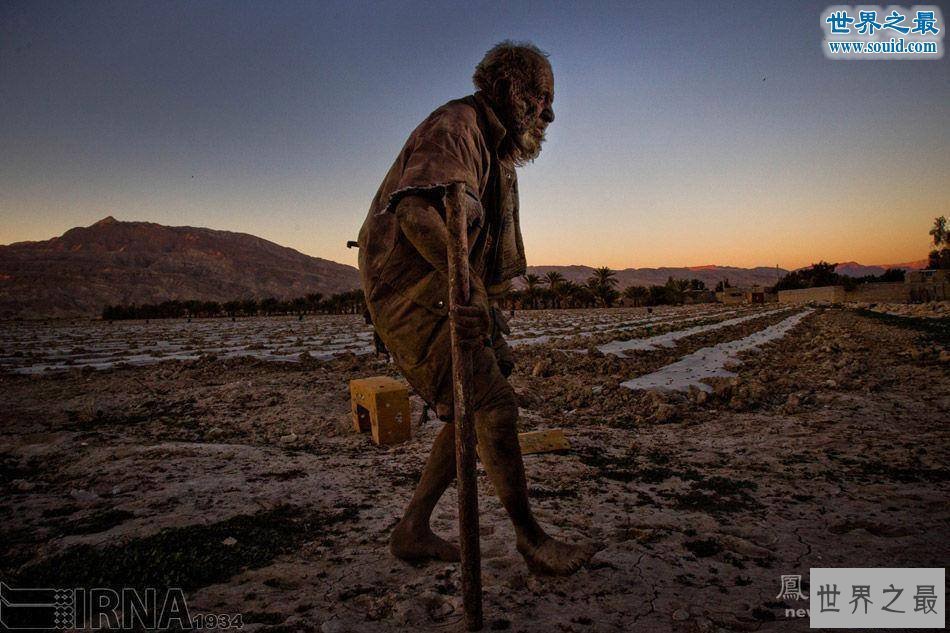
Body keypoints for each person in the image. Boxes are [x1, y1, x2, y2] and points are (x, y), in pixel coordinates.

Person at [357, 41, 599, 575]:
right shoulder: (458, 127)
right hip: (411, 294)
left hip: (446, 287)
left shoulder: (496, 150)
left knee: (475, 402)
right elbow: (417, 214)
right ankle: (530, 538)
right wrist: (463, 288)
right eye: (543, 98)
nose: (550, 113)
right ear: (514, 91)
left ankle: (413, 529)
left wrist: (476, 296)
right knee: (492, 404)